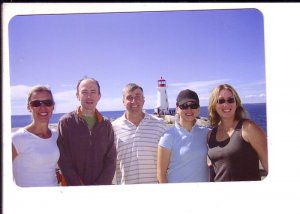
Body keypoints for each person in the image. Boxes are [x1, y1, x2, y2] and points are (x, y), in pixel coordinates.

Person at [57, 77, 116, 186]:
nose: (89, 96)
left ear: (99, 96)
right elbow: (63, 160)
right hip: (73, 189)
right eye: (84, 92)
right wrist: (80, 187)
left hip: (101, 191)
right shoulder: (66, 122)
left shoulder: (105, 124)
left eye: (93, 92)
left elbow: (111, 159)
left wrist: (100, 186)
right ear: (77, 95)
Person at [207, 84, 268, 181]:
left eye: (230, 100)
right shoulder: (211, 134)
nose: (226, 104)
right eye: (221, 100)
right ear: (214, 105)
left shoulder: (248, 128)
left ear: (236, 103)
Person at [112, 83, 168, 184]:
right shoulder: (113, 128)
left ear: (143, 100)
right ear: (123, 101)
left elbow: (169, 160)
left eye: (138, 97)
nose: (134, 101)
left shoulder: (159, 125)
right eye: (129, 97)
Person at [157, 89, 209, 183]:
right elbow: (161, 173)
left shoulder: (205, 133)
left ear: (198, 108)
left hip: (203, 193)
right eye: (184, 106)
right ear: (177, 108)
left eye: (193, 105)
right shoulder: (168, 137)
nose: (189, 109)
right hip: (178, 195)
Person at [12, 85, 60, 187]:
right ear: (29, 107)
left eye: (48, 103)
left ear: (53, 106)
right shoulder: (17, 138)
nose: (42, 107)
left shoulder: (55, 135)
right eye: (36, 103)